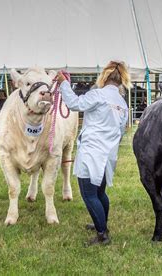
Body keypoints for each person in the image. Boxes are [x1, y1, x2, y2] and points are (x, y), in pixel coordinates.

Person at [56, 60, 130, 246]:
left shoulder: (97, 94)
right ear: (121, 80)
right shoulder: (122, 103)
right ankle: (102, 223)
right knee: (100, 192)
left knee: (89, 194)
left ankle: (102, 234)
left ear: (104, 77)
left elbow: (74, 104)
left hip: (92, 151)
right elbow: (121, 131)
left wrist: (63, 83)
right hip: (108, 153)